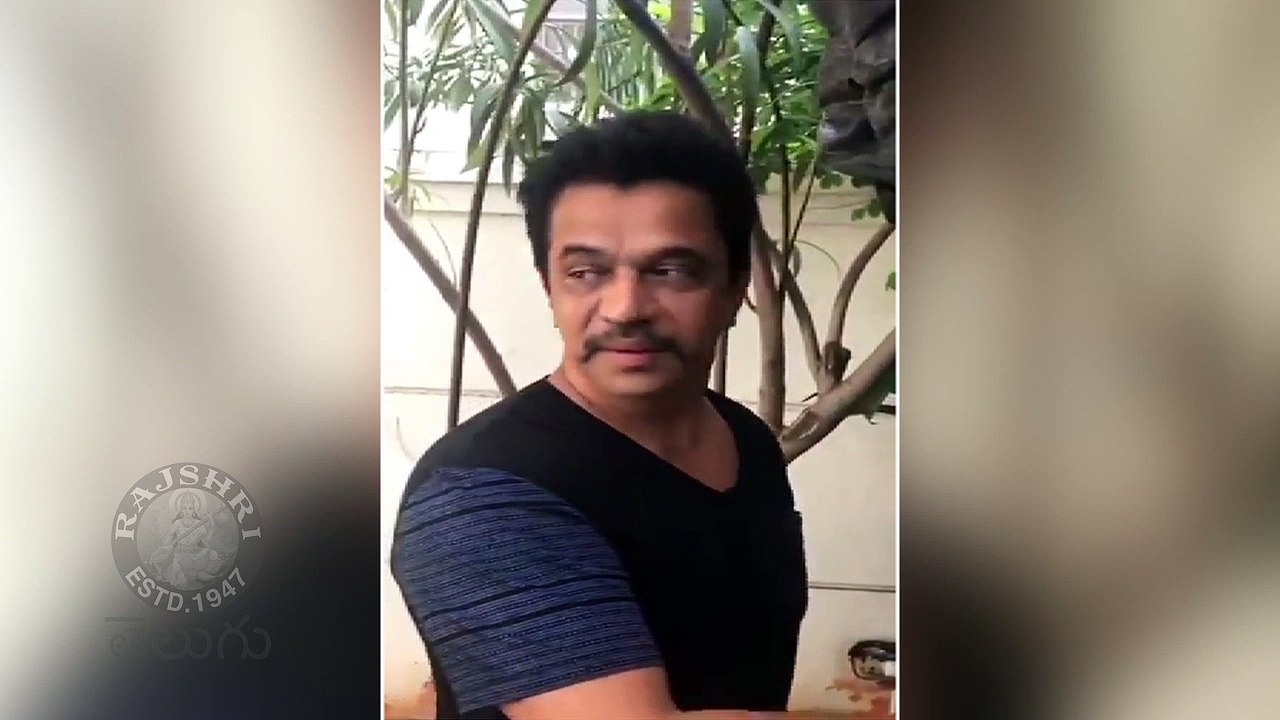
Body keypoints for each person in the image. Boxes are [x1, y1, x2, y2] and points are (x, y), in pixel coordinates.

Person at [391, 111, 809, 720]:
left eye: (670, 271)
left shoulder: (743, 439)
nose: (625, 308)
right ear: (549, 287)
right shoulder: (481, 495)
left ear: (734, 287)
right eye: (586, 273)